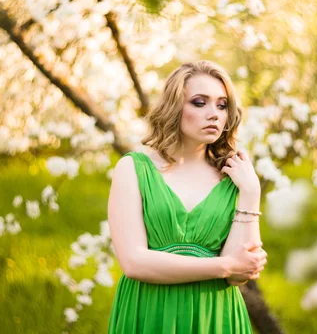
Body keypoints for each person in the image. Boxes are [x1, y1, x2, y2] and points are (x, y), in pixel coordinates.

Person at [107, 60, 267, 333]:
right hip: (149, 311)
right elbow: (134, 262)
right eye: (199, 102)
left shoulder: (235, 177)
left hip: (215, 317)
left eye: (222, 105)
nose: (214, 114)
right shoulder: (133, 168)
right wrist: (224, 265)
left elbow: (241, 274)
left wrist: (251, 193)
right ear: (173, 107)